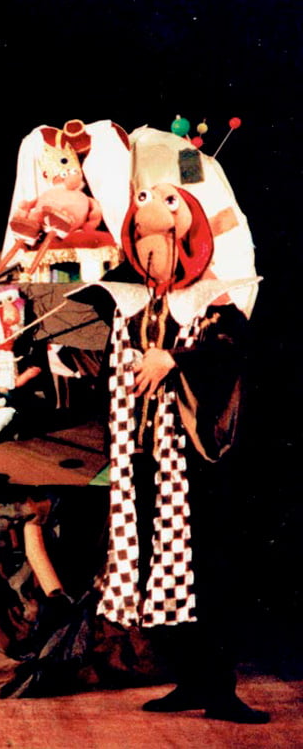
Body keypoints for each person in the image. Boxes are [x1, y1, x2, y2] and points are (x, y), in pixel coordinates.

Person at [74, 184, 268, 724]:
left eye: (155, 239)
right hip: (143, 456)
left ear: (181, 243)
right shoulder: (132, 303)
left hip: (192, 458)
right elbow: (114, 371)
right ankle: (190, 678)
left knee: (207, 569)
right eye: (139, 239)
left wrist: (176, 359)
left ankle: (221, 690)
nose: (147, 250)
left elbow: (230, 351)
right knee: (158, 565)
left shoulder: (211, 297)